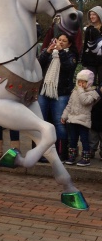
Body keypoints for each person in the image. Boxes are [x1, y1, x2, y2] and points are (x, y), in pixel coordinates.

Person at [38, 33, 78, 161]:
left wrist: (61, 52)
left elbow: (69, 67)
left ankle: (61, 153)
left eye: (64, 41)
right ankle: (41, 152)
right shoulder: (50, 52)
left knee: (59, 124)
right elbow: (38, 64)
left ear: (69, 44)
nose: (60, 42)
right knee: (41, 122)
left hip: (61, 94)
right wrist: (48, 52)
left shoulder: (71, 55)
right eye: (59, 39)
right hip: (44, 92)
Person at [62, 69, 101, 166]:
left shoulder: (93, 93)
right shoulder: (74, 91)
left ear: (89, 83)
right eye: (79, 82)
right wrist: (64, 116)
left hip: (83, 121)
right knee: (73, 139)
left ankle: (86, 158)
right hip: (72, 120)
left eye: (83, 82)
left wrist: (80, 90)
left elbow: (85, 101)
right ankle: (72, 156)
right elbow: (69, 105)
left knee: (84, 139)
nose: (80, 84)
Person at [81, 6, 102, 83]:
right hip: (91, 60)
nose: (91, 16)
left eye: (94, 14)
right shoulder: (89, 29)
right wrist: (84, 59)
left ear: (99, 15)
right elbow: (86, 45)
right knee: (89, 82)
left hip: (101, 60)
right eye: (90, 14)